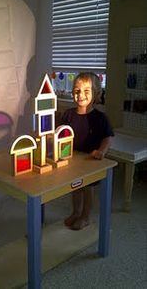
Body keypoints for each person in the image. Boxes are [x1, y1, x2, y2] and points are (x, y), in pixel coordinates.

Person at [61, 72, 114, 230]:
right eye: (77, 90)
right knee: (75, 187)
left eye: (86, 91)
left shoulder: (100, 118)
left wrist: (101, 151)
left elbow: (108, 137)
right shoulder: (68, 114)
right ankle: (76, 212)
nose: (80, 95)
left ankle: (86, 216)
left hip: (90, 161)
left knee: (87, 188)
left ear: (96, 94)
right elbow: (61, 134)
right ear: (72, 93)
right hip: (73, 160)